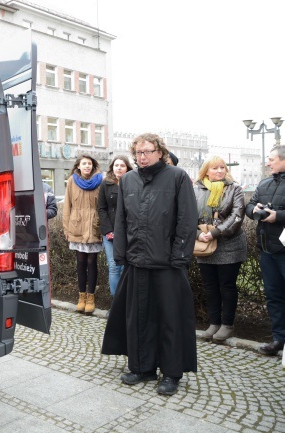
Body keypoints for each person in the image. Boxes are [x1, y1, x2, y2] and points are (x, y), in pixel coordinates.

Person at [101, 133, 198, 396]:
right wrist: (121, 254)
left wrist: (179, 256)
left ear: (159, 151)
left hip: (167, 263)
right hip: (136, 262)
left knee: (170, 320)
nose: (142, 157)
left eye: (147, 151)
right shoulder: (128, 180)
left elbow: (188, 220)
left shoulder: (177, 177)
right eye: (138, 153)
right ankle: (142, 367)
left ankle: (171, 373)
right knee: (139, 319)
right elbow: (120, 220)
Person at [194, 156, 247, 342]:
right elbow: (187, 215)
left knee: (227, 286)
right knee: (210, 286)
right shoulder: (197, 190)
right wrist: (196, 234)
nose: (219, 171)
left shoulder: (235, 189)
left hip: (229, 244)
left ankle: (227, 324)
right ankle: (214, 323)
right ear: (206, 171)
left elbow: (237, 215)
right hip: (205, 245)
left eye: (222, 167)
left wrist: (216, 232)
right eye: (214, 168)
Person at [246, 145, 285, 356]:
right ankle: (279, 339)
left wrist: (277, 216)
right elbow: (249, 205)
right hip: (267, 250)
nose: (267, 163)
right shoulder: (264, 183)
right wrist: (255, 210)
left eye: (271, 159)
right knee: (274, 297)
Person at [62, 154, 102, 314]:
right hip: (77, 225)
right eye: (84, 163)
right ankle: (81, 297)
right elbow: (67, 205)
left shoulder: (100, 180)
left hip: (94, 226)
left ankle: (91, 298)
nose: (87, 166)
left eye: (89, 164)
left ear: (93, 166)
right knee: (80, 262)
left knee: (92, 262)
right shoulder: (72, 180)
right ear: (78, 166)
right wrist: (66, 228)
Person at [98, 155, 133, 298]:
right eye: (116, 165)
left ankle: (126, 301)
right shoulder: (105, 184)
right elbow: (101, 208)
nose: (119, 168)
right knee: (113, 266)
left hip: (129, 231)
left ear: (127, 168)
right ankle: (115, 302)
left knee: (126, 266)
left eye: (122, 165)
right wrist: (108, 230)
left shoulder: (133, 182)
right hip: (110, 232)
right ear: (112, 167)